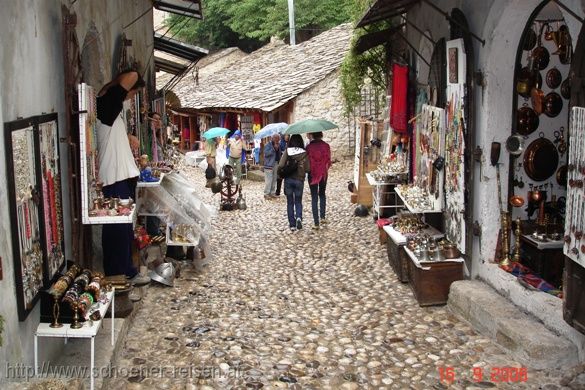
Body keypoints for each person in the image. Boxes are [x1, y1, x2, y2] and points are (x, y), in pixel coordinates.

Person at [96, 69, 150, 286]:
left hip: (120, 177)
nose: (130, 96)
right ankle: (118, 274)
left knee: (123, 228)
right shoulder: (107, 105)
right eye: (133, 93)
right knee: (117, 229)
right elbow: (133, 75)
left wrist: (127, 136)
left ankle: (125, 270)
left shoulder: (110, 112)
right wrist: (119, 80)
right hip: (114, 177)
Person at [278, 134, 310, 231]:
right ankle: (299, 217)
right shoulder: (304, 153)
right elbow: (308, 169)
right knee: (298, 201)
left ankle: (292, 224)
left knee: (290, 202)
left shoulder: (288, 151)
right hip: (299, 179)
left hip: (288, 179)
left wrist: (281, 172)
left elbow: (280, 164)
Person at [306, 131, 331, 229]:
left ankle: (316, 223)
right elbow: (328, 160)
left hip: (312, 174)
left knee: (314, 197)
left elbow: (307, 161)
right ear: (321, 135)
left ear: (312, 135)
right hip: (323, 174)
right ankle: (323, 217)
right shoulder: (326, 146)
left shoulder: (308, 147)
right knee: (322, 194)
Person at [263, 134, 280, 199]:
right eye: (276, 138)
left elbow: (278, 154)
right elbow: (266, 154)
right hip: (268, 164)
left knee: (274, 179)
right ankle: (266, 193)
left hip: (275, 163)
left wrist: (277, 149)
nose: (277, 140)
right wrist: (274, 149)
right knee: (269, 180)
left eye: (278, 139)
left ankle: (272, 193)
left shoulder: (278, 145)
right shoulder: (268, 145)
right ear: (272, 138)